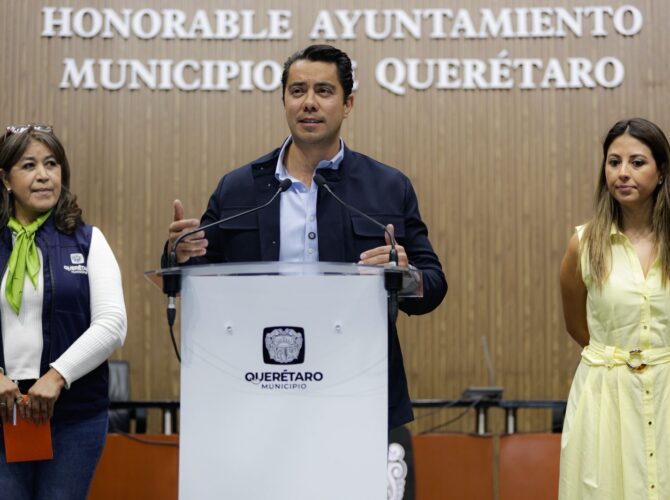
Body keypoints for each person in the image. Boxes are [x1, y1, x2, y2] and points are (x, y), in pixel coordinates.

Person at [165, 44, 447, 430]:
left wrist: (405, 275)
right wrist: (181, 255)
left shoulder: (387, 187)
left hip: (356, 385)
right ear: (284, 100)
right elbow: (202, 274)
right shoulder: (239, 188)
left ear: (348, 104)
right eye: (297, 91)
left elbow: (433, 283)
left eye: (324, 91)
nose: (309, 102)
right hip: (258, 382)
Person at [0, 124, 127, 499]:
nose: (43, 175)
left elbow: (112, 324)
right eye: (29, 165)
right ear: (6, 179)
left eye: (51, 164)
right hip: (4, 412)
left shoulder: (88, 240)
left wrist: (57, 377)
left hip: (74, 417)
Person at [559, 117, 670, 499]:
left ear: (661, 172)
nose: (623, 173)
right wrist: (618, 359)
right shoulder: (583, 244)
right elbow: (578, 326)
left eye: (637, 162)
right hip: (605, 396)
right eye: (614, 162)